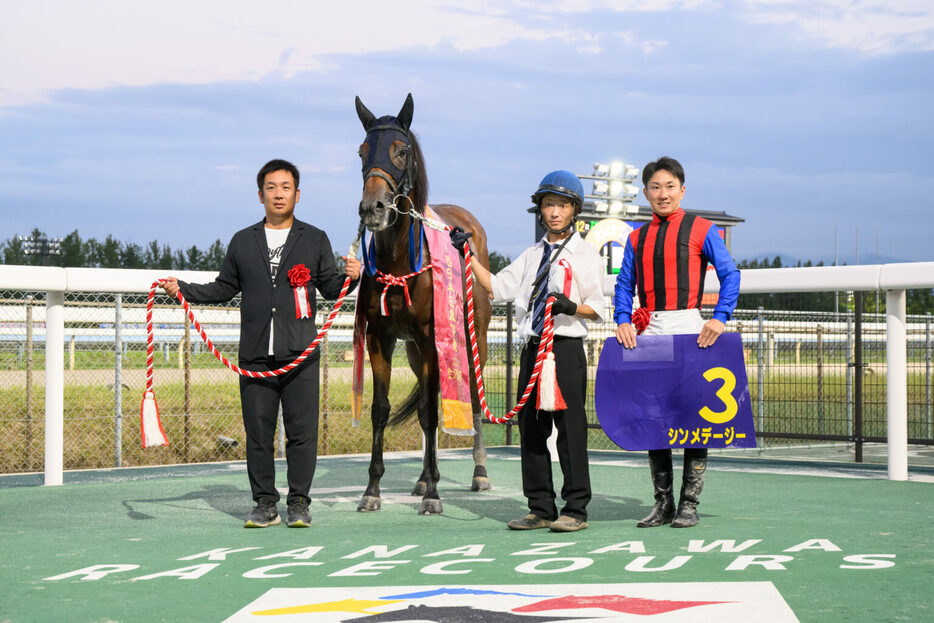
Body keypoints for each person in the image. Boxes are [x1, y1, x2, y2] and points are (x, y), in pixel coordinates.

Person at [161, 159, 361, 528]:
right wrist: (182, 290)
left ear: (297, 194)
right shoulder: (242, 240)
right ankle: (265, 503)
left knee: (302, 434)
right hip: (254, 354)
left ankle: (298, 502)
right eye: (271, 187)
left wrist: (354, 276)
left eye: (286, 187)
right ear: (260, 195)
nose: (279, 194)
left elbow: (333, 289)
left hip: (300, 353)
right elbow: (223, 288)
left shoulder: (314, 238)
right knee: (258, 434)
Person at [454, 170, 605, 532]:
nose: (554, 212)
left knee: (570, 430)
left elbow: (598, 307)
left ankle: (575, 509)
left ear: (574, 211)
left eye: (562, 205)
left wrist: (569, 306)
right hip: (533, 347)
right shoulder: (531, 254)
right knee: (531, 429)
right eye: (548, 204)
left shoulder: (585, 254)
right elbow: (495, 286)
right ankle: (539, 506)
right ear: (540, 210)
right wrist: (468, 253)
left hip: (565, 349)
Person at [613, 156, 740, 528]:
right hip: (650, 330)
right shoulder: (636, 236)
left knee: (693, 418)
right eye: (655, 187)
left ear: (682, 190)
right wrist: (623, 319)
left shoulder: (702, 229)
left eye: (670, 186)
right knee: (655, 418)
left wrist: (719, 318)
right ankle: (663, 503)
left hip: (689, 326)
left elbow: (730, 274)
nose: (662, 193)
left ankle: (689, 504)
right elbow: (624, 284)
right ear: (646, 192)